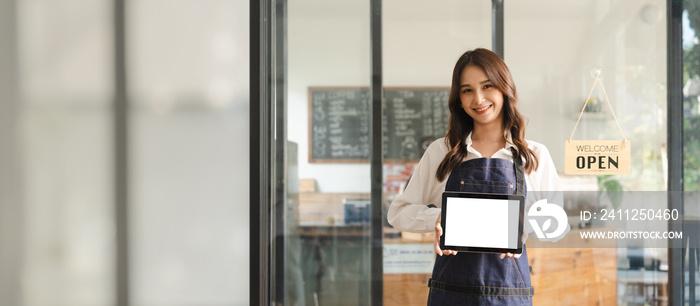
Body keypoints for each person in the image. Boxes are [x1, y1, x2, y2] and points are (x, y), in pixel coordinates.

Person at [387, 48, 565, 305]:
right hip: (451, 293)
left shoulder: (533, 155)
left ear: (505, 88)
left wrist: (520, 223)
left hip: (509, 295)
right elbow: (398, 212)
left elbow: (556, 225)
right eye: (467, 90)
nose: (478, 99)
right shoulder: (441, 151)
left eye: (487, 86)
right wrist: (437, 217)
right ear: (458, 98)